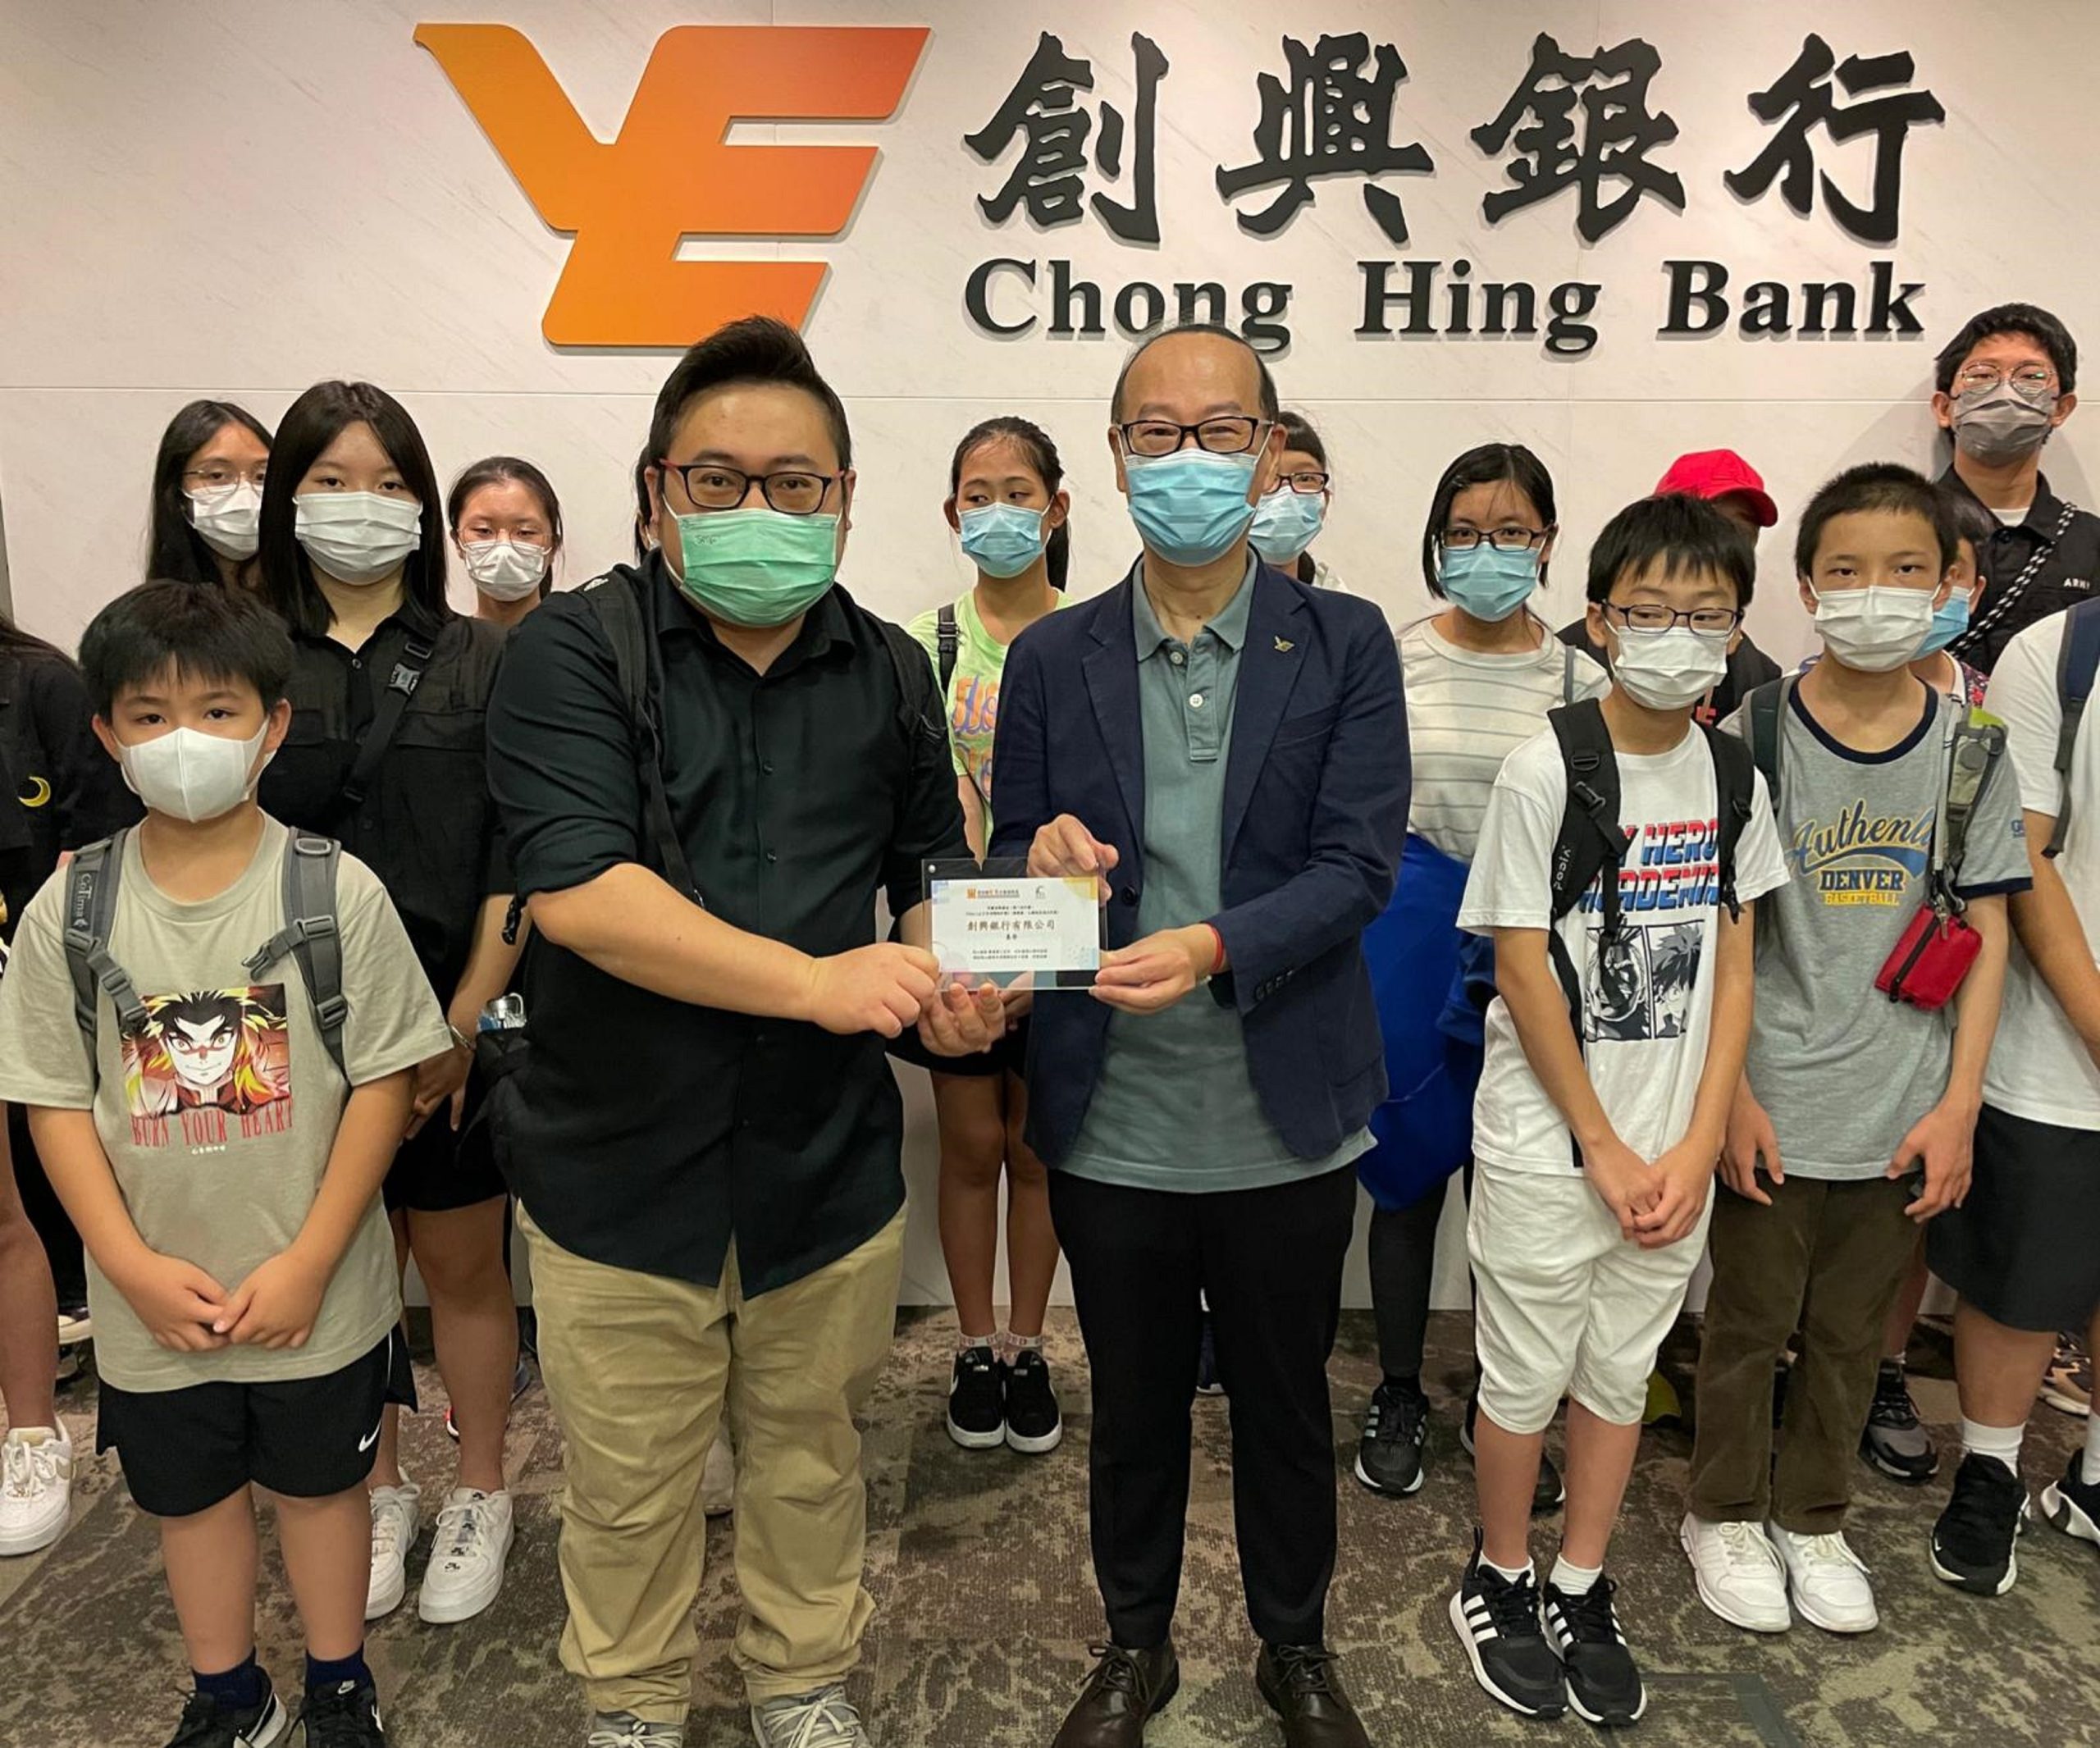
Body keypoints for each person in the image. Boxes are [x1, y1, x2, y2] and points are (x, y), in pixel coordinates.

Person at [486, 315, 999, 1748]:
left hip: (819, 1170)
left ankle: (799, 1679)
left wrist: (954, 976)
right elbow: (581, 891)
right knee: (626, 1484)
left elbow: (924, 873)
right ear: (656, 495)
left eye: (795, 482)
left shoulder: (890, 667)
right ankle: (634, 1702)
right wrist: (821, 983)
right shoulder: (570, 654)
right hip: (616, 1169)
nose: (756, 508)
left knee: (812, 1462)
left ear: (846, 499)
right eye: (717, 480)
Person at [993, 321, 1407, 1748]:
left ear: (1269, 449)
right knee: (1133, 1405)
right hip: (1113, 1114)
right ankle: (1136, 1645)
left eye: (1222, 431)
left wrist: (1214, 945)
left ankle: (1297, 1647)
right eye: (1157, 433)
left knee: (1289, 1405)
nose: (1190, 458)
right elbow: (1014, 851)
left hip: (1285, 1109)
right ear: (1115, 461)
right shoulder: (1051, 655)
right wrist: (1040, 859)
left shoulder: (1344, 642)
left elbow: (1358, 868)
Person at [0, 580, 449, 1748]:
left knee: (324, 1488)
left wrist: (309, 1259)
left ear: (273, 723)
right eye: (149, 715)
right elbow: (54, 1101)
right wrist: (126, 1266)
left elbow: (384, 1085)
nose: (184, 739)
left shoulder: (334, 888)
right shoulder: (69, 912)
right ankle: (229, 1693)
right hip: (154, 1298)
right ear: (106, 732)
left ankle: (340, 1682)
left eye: (215, 709)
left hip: (319, 1292)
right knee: (189, 1500)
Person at [1449, 493, 1786, 1727]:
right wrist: (1600, 1143)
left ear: (1736, 628)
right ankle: (1499, 1571)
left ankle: (1582, 1581)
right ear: (1599, 618)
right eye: (1650, 610)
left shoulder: (1733, 772)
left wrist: (1696, 1140)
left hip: (1670, 1151)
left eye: (1707, 614)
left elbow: (1737, 963)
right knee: (1522, 1376)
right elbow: (1521, 963)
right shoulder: (1548, 765)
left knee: (1619, 1371)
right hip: (1551, 1144)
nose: (1678, 636)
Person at [1681, 464, 2025, 1638]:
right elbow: (1723, 931)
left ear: (1946, 584)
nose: (1875, 592)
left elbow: (1989, 932)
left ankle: (1814, 1517)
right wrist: (1729, 1093)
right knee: (1747, 1321)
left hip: (1904, 1102)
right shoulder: (1753, 734)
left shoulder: (1972, 749)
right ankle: (1723, 1508)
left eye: (1905, 569)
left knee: (1850, 1333)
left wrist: (1960, 1103)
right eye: (1846, 569)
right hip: (1772, 1095)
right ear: (1806, 585)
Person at [253, 381, 523, 1629]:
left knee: (463, 1264)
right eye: (330, 481)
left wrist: (460, 1022)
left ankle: (483, 1486)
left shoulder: (485, 657)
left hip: (451, 1030)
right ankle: (377, 1486)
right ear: (287, 498)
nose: (360, 505)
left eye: (388, 483)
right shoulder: (248, 655)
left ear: (421, 507)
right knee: (349, 1274)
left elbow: (518, 858)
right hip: (293, 1042)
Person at [1354, 443, 1607, 1508]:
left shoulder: (1581, 680)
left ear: (1546, 543)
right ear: (1436, 540)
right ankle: (1398, 1388)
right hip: (1409, 940)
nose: (1486, 551)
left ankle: (1503, 1402)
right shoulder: (1391, 660)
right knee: (1408, 1172)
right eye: (1464, 532)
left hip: (1530, 947)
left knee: (1512, 1187)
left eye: (1509, 532)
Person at [1925, 586, 2100, 1595]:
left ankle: (2094, 1475)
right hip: (2055, 1049)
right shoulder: (2061, 653)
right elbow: (2020, 853)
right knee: (2018, 1276)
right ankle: (1988, 1472)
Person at [902, 415, 1071, 1454]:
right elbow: (911, 801)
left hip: (1060, 928)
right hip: (954, 928)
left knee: (1038, 1148)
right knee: (969, 1143)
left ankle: (1031, 1345)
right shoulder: (923, 643)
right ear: (952, 511)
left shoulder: (1094, 637)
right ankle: (974, 1346)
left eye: (1019, 493)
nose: (998, 512)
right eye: (979, 494)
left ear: (1057, 509)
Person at [1856, 485, 1993, 1486]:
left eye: (1927, 574)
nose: (1898, 596)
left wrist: (1964, 1096)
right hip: (1808, 1032)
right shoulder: (1783, 713)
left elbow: (1994, 902)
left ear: (1963, 584)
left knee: (1899, 1219)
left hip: (1927, 1016)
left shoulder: (1984, 714)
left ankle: (1883, 1372)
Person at [1560, 450, 1783, 728]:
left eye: (1741, 531)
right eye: (1703, 524)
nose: (1721, 544)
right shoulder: (1568, 659)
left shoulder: (1758, 678)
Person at [1937, 302, 2100, 673]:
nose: (2005, 391)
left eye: (2031, 376)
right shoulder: (1900, 528)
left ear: (2061, 408)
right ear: (1944, 408)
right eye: (1982, 375)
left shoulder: (2091, 543)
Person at [147, 399, 275, 592]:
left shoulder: (306, 603)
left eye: (261, 476)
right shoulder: (155, 609)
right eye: (217, 475)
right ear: (177, 494)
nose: (245, 496)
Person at [449, 455, 563, 628]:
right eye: (483, 530)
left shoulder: (580, 642)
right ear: (458, 542)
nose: (504, 550)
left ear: (553, 546)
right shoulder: (444, 641)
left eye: (525, 532)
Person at [1249, 408, 1348, 591]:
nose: (1286, 494)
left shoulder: (1338, 599)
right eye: (1268, 476)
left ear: (1324, 500)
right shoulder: (1200, 597)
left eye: (1305, 478)